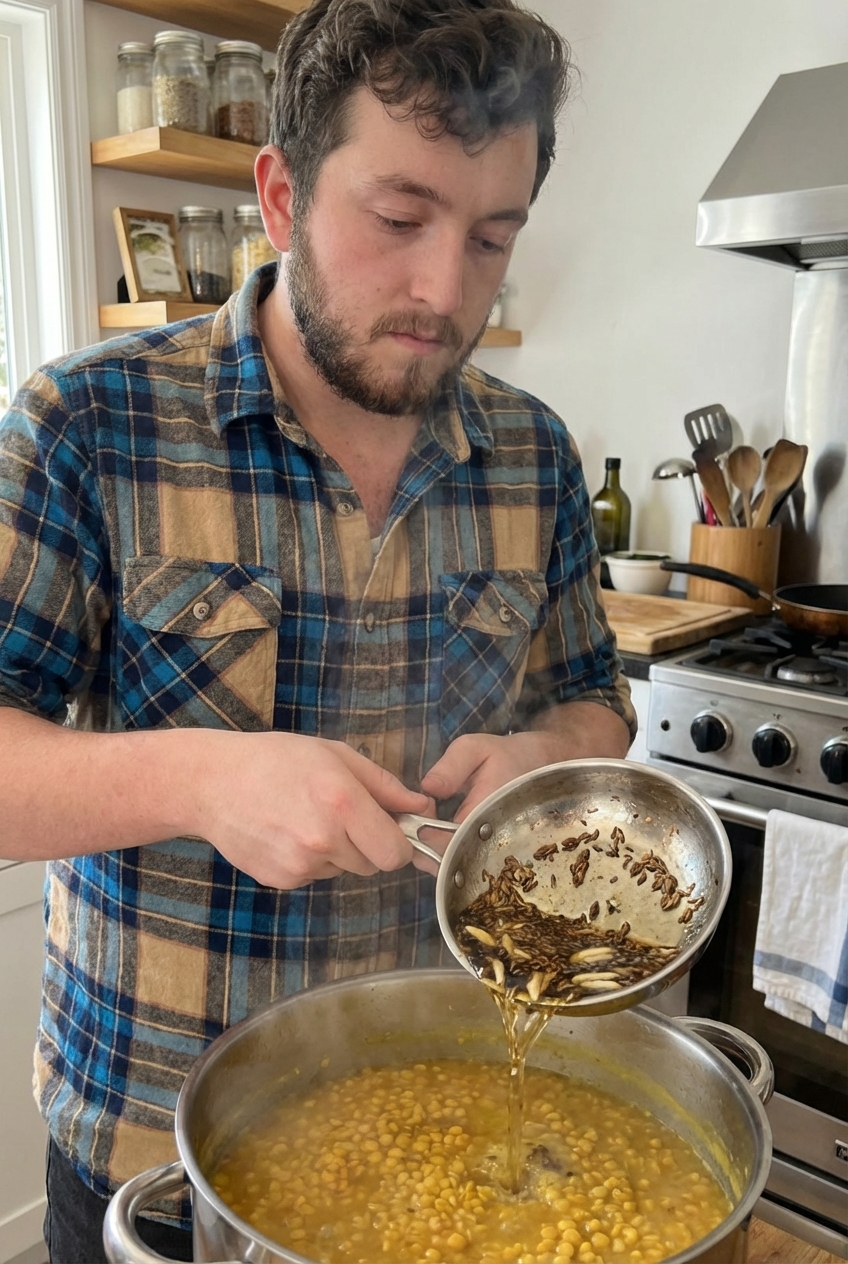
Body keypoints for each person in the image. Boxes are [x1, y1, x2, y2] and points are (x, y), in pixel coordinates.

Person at [0, 0, 635, 1257]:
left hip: (448, 1130)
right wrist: (204, 777)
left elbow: (594, 704)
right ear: (281, 194)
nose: (440, 289)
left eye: (491, 237)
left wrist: (543, 763)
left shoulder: (533, 456)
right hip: (156, 1149)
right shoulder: (87, 422)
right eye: (398, 220)